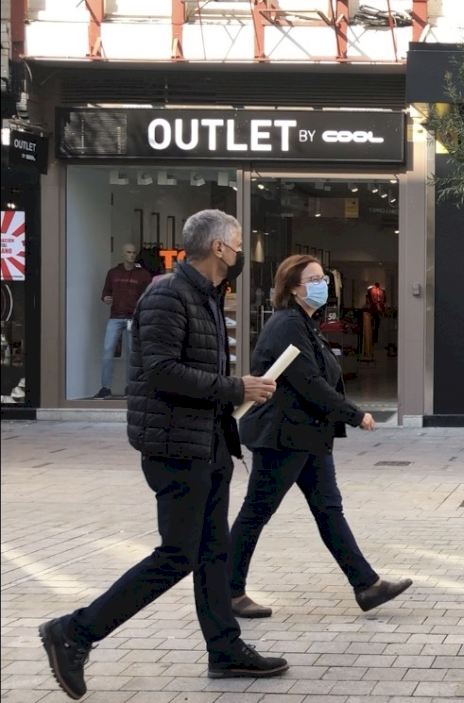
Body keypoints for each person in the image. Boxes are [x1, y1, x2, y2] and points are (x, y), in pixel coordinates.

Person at [39, 210, 288, 701]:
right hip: (175, 448)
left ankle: (225, 650)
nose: (241, 251)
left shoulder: (206, 295)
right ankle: (74, 632)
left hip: (208, 444)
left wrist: (233, 398)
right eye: (238, 243)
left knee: (213, 553)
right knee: (178, 556)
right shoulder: (166, 295)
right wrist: (235, 387)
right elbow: (160, 370)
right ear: (218, 248)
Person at [229, 255, 412, 619]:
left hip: (306, 435)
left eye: (323, 278)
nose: (322, 285)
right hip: (282, 437)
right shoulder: (287, 325)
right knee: (256, 512)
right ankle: (227, 592)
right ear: (293, 288)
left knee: (328, 509)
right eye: (313, 280)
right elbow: (308, 382)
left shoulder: (304, 323)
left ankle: (367, 585)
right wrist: (354, 414)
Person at [95, 243, 153, 398]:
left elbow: (149, 295)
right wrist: (106, 298)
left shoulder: (143, 275)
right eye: (128, 252)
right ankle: (105, 388)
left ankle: (130, 387)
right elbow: (106, 291)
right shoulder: (113, 273)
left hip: (133, 318)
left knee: (131, 353)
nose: (131, 255)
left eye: (133, 253)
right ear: (123, 253)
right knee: (107, 350)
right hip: (115, 316)